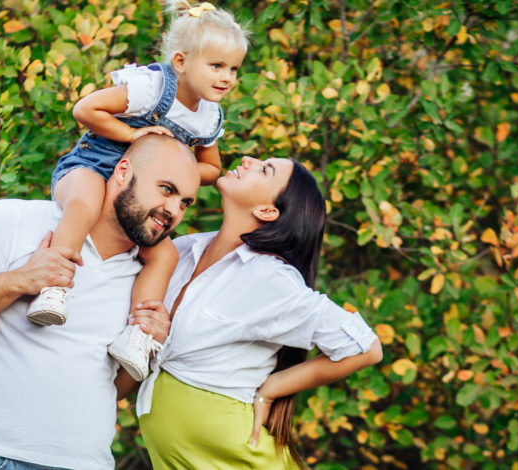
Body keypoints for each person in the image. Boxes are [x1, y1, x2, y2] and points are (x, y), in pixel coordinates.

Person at [0, 135, 200, 470]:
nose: (174, 210)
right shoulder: (18, 220)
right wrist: (21, 279)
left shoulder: (150, 276)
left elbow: (112, 388)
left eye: (185, 203)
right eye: (166, 189)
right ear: (122, 172)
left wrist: (150, 347)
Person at [26, 0, 250, 381]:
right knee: (84, 203)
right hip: (93, 166)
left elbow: (211, 167)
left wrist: (173, 167)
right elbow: (86, 110)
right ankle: (54, 287)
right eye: (216, 66)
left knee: (164, 256)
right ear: (181, 62)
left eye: (233, 69)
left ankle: (138, 332)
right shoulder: (152, 87)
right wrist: (134, 134)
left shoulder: (209, 115)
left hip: (139, 194)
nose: (227, 77)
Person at [135, 156, 384, 469]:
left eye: (265, 169)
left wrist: (271, 390)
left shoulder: (270, 278)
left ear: (267, 211)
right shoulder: (182, 250)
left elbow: (366, 348)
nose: (247, 159)